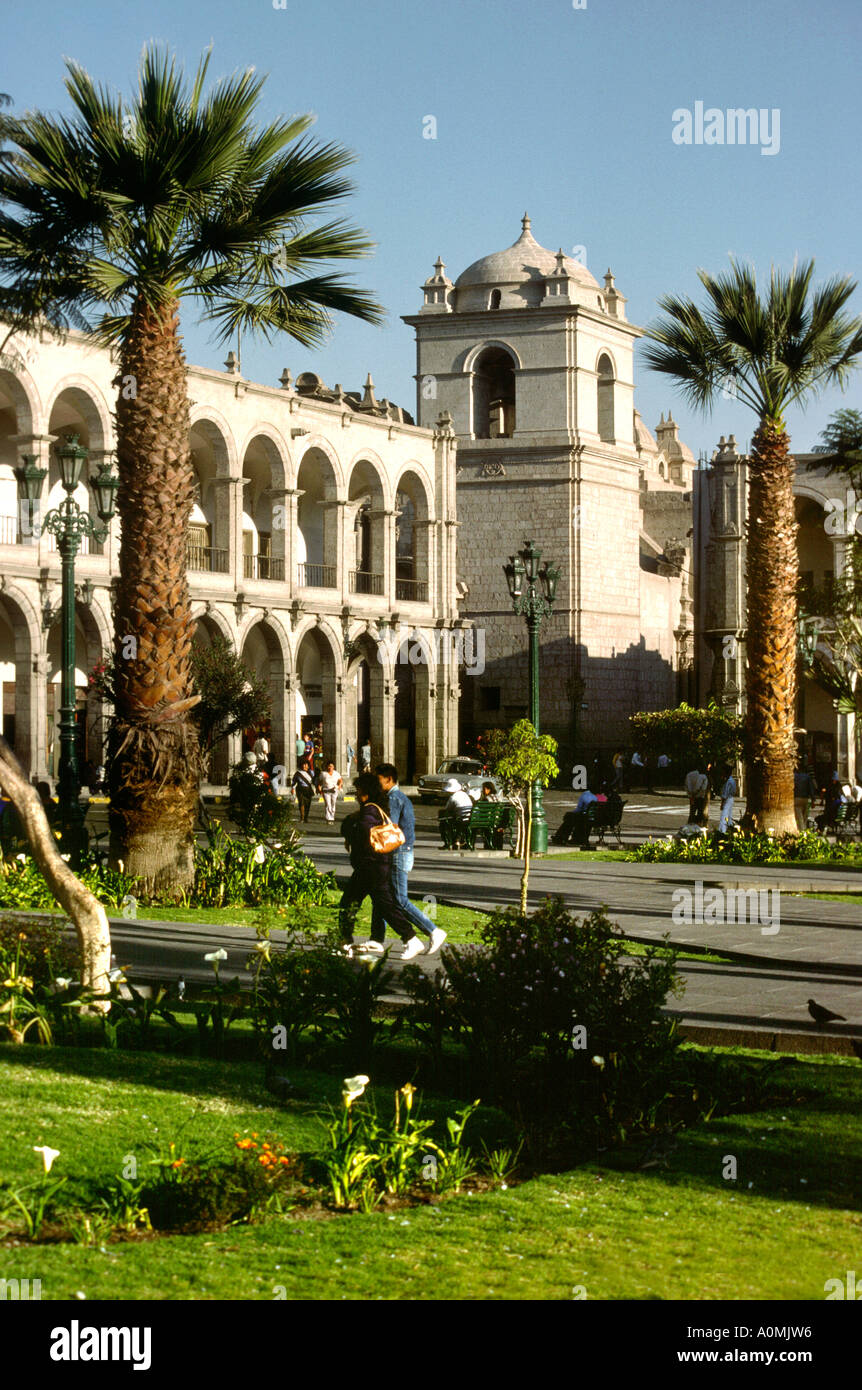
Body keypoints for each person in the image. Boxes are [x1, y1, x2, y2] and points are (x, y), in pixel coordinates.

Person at [338, 772, 424, 960]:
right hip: (375, 866)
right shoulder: (378, 807)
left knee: (359, 904)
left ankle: (411, 939)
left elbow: (363, 829)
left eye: (359, 790)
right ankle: (344, 941)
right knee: (371, 904)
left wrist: (351, 828)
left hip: (370, 867)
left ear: (366, 791)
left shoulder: (369, 810)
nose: (356, 794)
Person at [367, 763, 446, 954]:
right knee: (382, 896)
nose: (377, 785)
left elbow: (388, 828)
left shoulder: (393, 798)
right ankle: (376, 938)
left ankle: (433, 930)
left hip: (398, 852)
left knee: (399, 899)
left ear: (389, 779)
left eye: (378, 780)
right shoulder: (399, 797)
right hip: (402, 851)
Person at [439, 777, 474, 846]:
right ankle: (460, 840)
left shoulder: (453, 797)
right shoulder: (465, 794)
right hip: (470, 818)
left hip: (461, 820)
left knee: (444, 822)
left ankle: (449, 842)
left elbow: (447, 809)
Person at [794, 762, 818, 832]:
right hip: (805, 799)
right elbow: (811, 789)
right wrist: (813, 800)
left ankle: (802, 832)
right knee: (804, 816)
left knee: (799, 817)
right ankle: (804, 830)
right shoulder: (807, 777)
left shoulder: (794, 776)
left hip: (796, 798)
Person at [318, 760, 343, 825]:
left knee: (333, 803)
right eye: (329, 766)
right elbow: (320, 781)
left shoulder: (336, 773)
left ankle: (332, 817)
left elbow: (340, 780)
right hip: (326, 790)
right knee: (328, 804)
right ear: (327, 767)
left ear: (333, 767)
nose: (330, 768)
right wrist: (319, 788)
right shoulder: (323, 773)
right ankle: (328, 818)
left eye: (331, 766)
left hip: (334, 790)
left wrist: (339, 785)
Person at [292, 759, 316, 823]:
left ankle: (306, 817)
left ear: (308, 766)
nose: (305, 766)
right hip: (300, 789)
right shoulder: (298, 773)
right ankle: (302, 817)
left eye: (306, 765)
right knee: (301, 803)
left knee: (308, 804)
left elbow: (314, 781)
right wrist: (292, 788)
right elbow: (294, 782)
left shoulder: (311, 772)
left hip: (308, 789)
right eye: (303, 764)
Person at [717, 765, 737, 834]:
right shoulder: (732, 780)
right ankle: (730, 828)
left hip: (727, 799)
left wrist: (722, 803)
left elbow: (725, 794)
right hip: (731, 798)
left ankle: (722, 830)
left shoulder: (728, 781)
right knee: (729, 815)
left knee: (724, 815)